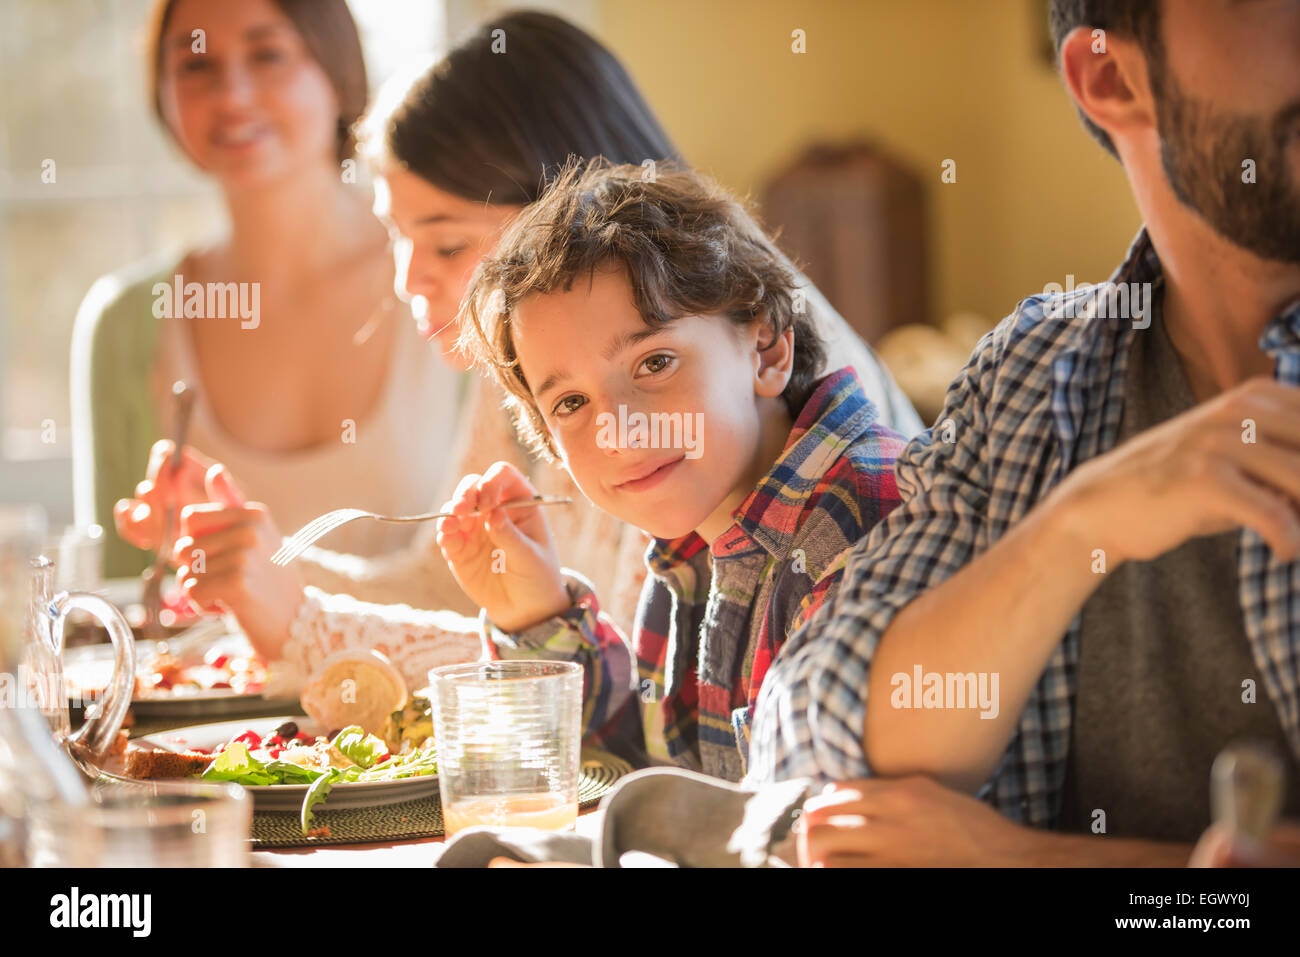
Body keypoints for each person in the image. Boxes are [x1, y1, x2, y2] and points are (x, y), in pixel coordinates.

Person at [169, 11, 923, 699]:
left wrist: (302, 623)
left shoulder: (700, 393)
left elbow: (633, 688)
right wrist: (265, 570)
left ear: (572, 215)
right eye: (396, 235)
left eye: (447, 242)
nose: (405, 280)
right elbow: (455, 585)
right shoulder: (557, 366)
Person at [747, 0, 1300, 865]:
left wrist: (1026, 859)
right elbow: (810, 749)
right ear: (1113, 76)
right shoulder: (1033, 369)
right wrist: (1076, 527)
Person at [429, 158, 905, 777]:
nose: (619, 431)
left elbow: (799, 825)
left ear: (767, 348)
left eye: (654, 364)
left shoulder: (860, 528)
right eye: (570, 403)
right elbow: (661, 770)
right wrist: (536, 613)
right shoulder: (695, 534)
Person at [71, 0, 463, 587]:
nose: (232, 95)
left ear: (338, 72)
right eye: (196, 65)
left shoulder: (451, 276)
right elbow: (123, 599)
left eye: (268, 55)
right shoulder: (126, 323)